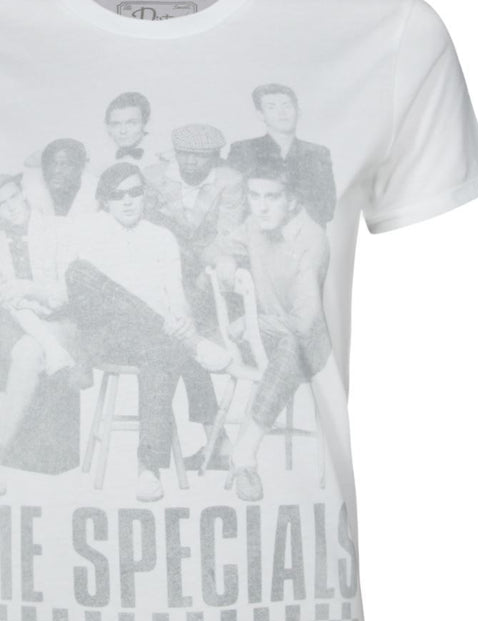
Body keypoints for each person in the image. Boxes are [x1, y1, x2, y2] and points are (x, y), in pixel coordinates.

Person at [63, 162, 234, 501]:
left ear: (144, 195)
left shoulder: (161, 237)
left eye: (135, 192)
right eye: (118, 195)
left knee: (163, 348)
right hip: (108, 336)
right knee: (79, 271)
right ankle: (219, 437)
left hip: (158, 339)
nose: (128, 201)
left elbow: (176, 296)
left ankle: (148, 469)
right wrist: (179, 330)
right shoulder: (91, 234)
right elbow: (84, 294)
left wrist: (183, 320)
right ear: (105, 201)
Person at [213, 158, 333, 501]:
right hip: (265, 337)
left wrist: (253, 322)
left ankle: (244, 454)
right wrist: (226, 261)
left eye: (272, 197)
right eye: (254, 196)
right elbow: (221, 246)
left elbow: (304, 324)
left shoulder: (312, 240)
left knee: (293, 346)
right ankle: (239, 453)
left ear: (293, 200)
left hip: (311, 345)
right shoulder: (254, 224)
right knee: (282, 345)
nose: (261, 207)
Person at [0, 172, 80, 495]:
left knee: (27, 350)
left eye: (13, 197)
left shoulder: (58, 229)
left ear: (23, 194)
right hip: (16, 324)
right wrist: (11, 294)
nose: (11, 208)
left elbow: (66, 293)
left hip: (63, 323)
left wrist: (28, 289)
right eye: (1, 205)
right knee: (23, 341)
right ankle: (50, 350)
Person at [143, 123, 246, 330]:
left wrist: (208, 269)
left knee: (224, 269)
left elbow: (227, 234)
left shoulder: (230, 180)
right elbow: (146, 225)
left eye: (200, 155)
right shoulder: (153, 175)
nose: (190, 161)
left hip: (209, 250)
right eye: (183, 153)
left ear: (215, 156)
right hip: (167, 251)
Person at [226, 83, 336, 227]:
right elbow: (232, 204)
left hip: (306, 235)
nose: (282, 113)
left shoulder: (317, 153)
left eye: (287, 106)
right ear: (260, 114)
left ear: (298, 111)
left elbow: (327, 209)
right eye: (271, 107)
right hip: (255, 236)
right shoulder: (243, 150)